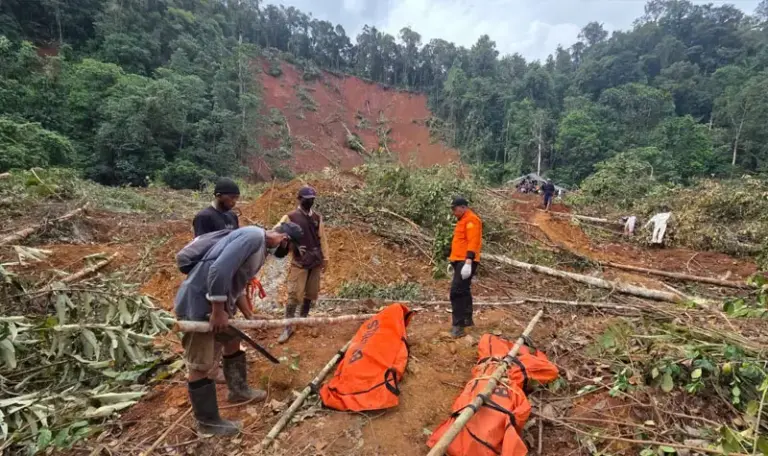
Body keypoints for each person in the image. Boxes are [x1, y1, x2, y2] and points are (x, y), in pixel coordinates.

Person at [175, 223, 303, 435]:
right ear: (285, 239)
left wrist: (249, 314)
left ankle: (238, 389)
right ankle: (207, 422)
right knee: (200, 364)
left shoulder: (259, 247)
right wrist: (217, 310)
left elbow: (238, 282)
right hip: (199, 306)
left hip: (220, 308)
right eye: (290, 249)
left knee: (232, 340)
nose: (286, 253)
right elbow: (219, 270)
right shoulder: (253, 237)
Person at [191, 177, 245, 384]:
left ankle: (224, 362)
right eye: (231, 197)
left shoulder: (231, 216)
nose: (234, 202)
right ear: (218, 195)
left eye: (236, 198)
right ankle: (211, 369)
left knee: (228, 322)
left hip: (229, 274)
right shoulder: (204, 217)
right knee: (214, 322)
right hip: (211, 276)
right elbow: (203, 251)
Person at [275, 186, 330, 344]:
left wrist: (325, 259)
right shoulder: (290, 217)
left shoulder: (317, 218)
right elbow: (278, 232)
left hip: (315, 261)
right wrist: (292, 245)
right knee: (294, 294)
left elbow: (322, 239)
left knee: (311, 293)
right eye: (307, 199)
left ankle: (302, 319)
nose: (310, 202)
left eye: (312, 199)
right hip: (299, 262)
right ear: (299, 199)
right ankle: (288, 326)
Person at [448, 197, 483, 338]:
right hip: (459, 261)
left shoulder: (472, 220)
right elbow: (459, 242)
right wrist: (452, 261)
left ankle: (458, 325)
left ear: (463, 207)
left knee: (456, 292)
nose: (454, 213)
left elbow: (473, 241)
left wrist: (468, 261)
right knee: (464, 290)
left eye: (455, 210)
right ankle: (468, 319)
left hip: (466, 261)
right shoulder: (462, 221)